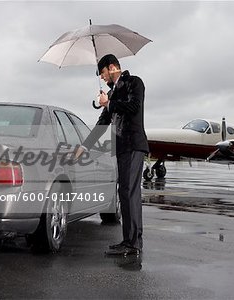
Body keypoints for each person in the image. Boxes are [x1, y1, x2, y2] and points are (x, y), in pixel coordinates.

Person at [75, 54, 149, 256]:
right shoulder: (112, 93)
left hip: (134, 145)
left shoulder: (134, 82)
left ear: (112, 67)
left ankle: (134, 243)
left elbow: (133, 107)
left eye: (102, 73)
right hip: (122, 148)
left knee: (130, 193)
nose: (101, 77)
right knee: (124, 193)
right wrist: (84, 147)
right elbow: (102, 123)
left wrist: (109, 103)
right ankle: (128, 241)